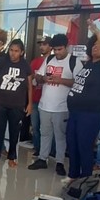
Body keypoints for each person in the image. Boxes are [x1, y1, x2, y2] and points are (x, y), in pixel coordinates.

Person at [66, 20, 100, 180]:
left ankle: (85, 180)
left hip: (90, 114)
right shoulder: (87, 65)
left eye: (99, 45)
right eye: (94, 44)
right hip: (75, 112)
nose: (95, 46)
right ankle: (73, 176)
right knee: (72, 145)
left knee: (84, 147)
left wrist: (97, 31)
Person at [28, 33, 78, 176]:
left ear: (66, 47)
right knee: (45, 133)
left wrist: (61, 80)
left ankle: (60, 162)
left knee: (60, 136)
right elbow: (37, 76)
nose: (57, 52)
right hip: (44, 105)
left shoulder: (74, 61)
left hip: (62, 107)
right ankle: (42, 158)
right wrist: (43, 78)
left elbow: (78, 82)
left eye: (60, 49)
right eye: (55, 49)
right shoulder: (49, 59)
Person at [0, 38, 32, 168]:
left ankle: (12, 157)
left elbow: (29, 86)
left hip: (17, 105)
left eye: (16, 51)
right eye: (11, 50)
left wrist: (29, 104)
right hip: (0, 103)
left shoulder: (25, 65)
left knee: (14, 133)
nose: (13, 53)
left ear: (21, 52)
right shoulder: (3, 61)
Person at [29, 36, 52, 157]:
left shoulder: (53, 61)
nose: (42, 46)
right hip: (34, 99)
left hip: (47, 101)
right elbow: (29, 78)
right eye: (41, 44)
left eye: (45, 44)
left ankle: (49, 151)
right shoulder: (35, 61)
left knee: (47, 128)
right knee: (35, 126)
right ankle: (37, 148)